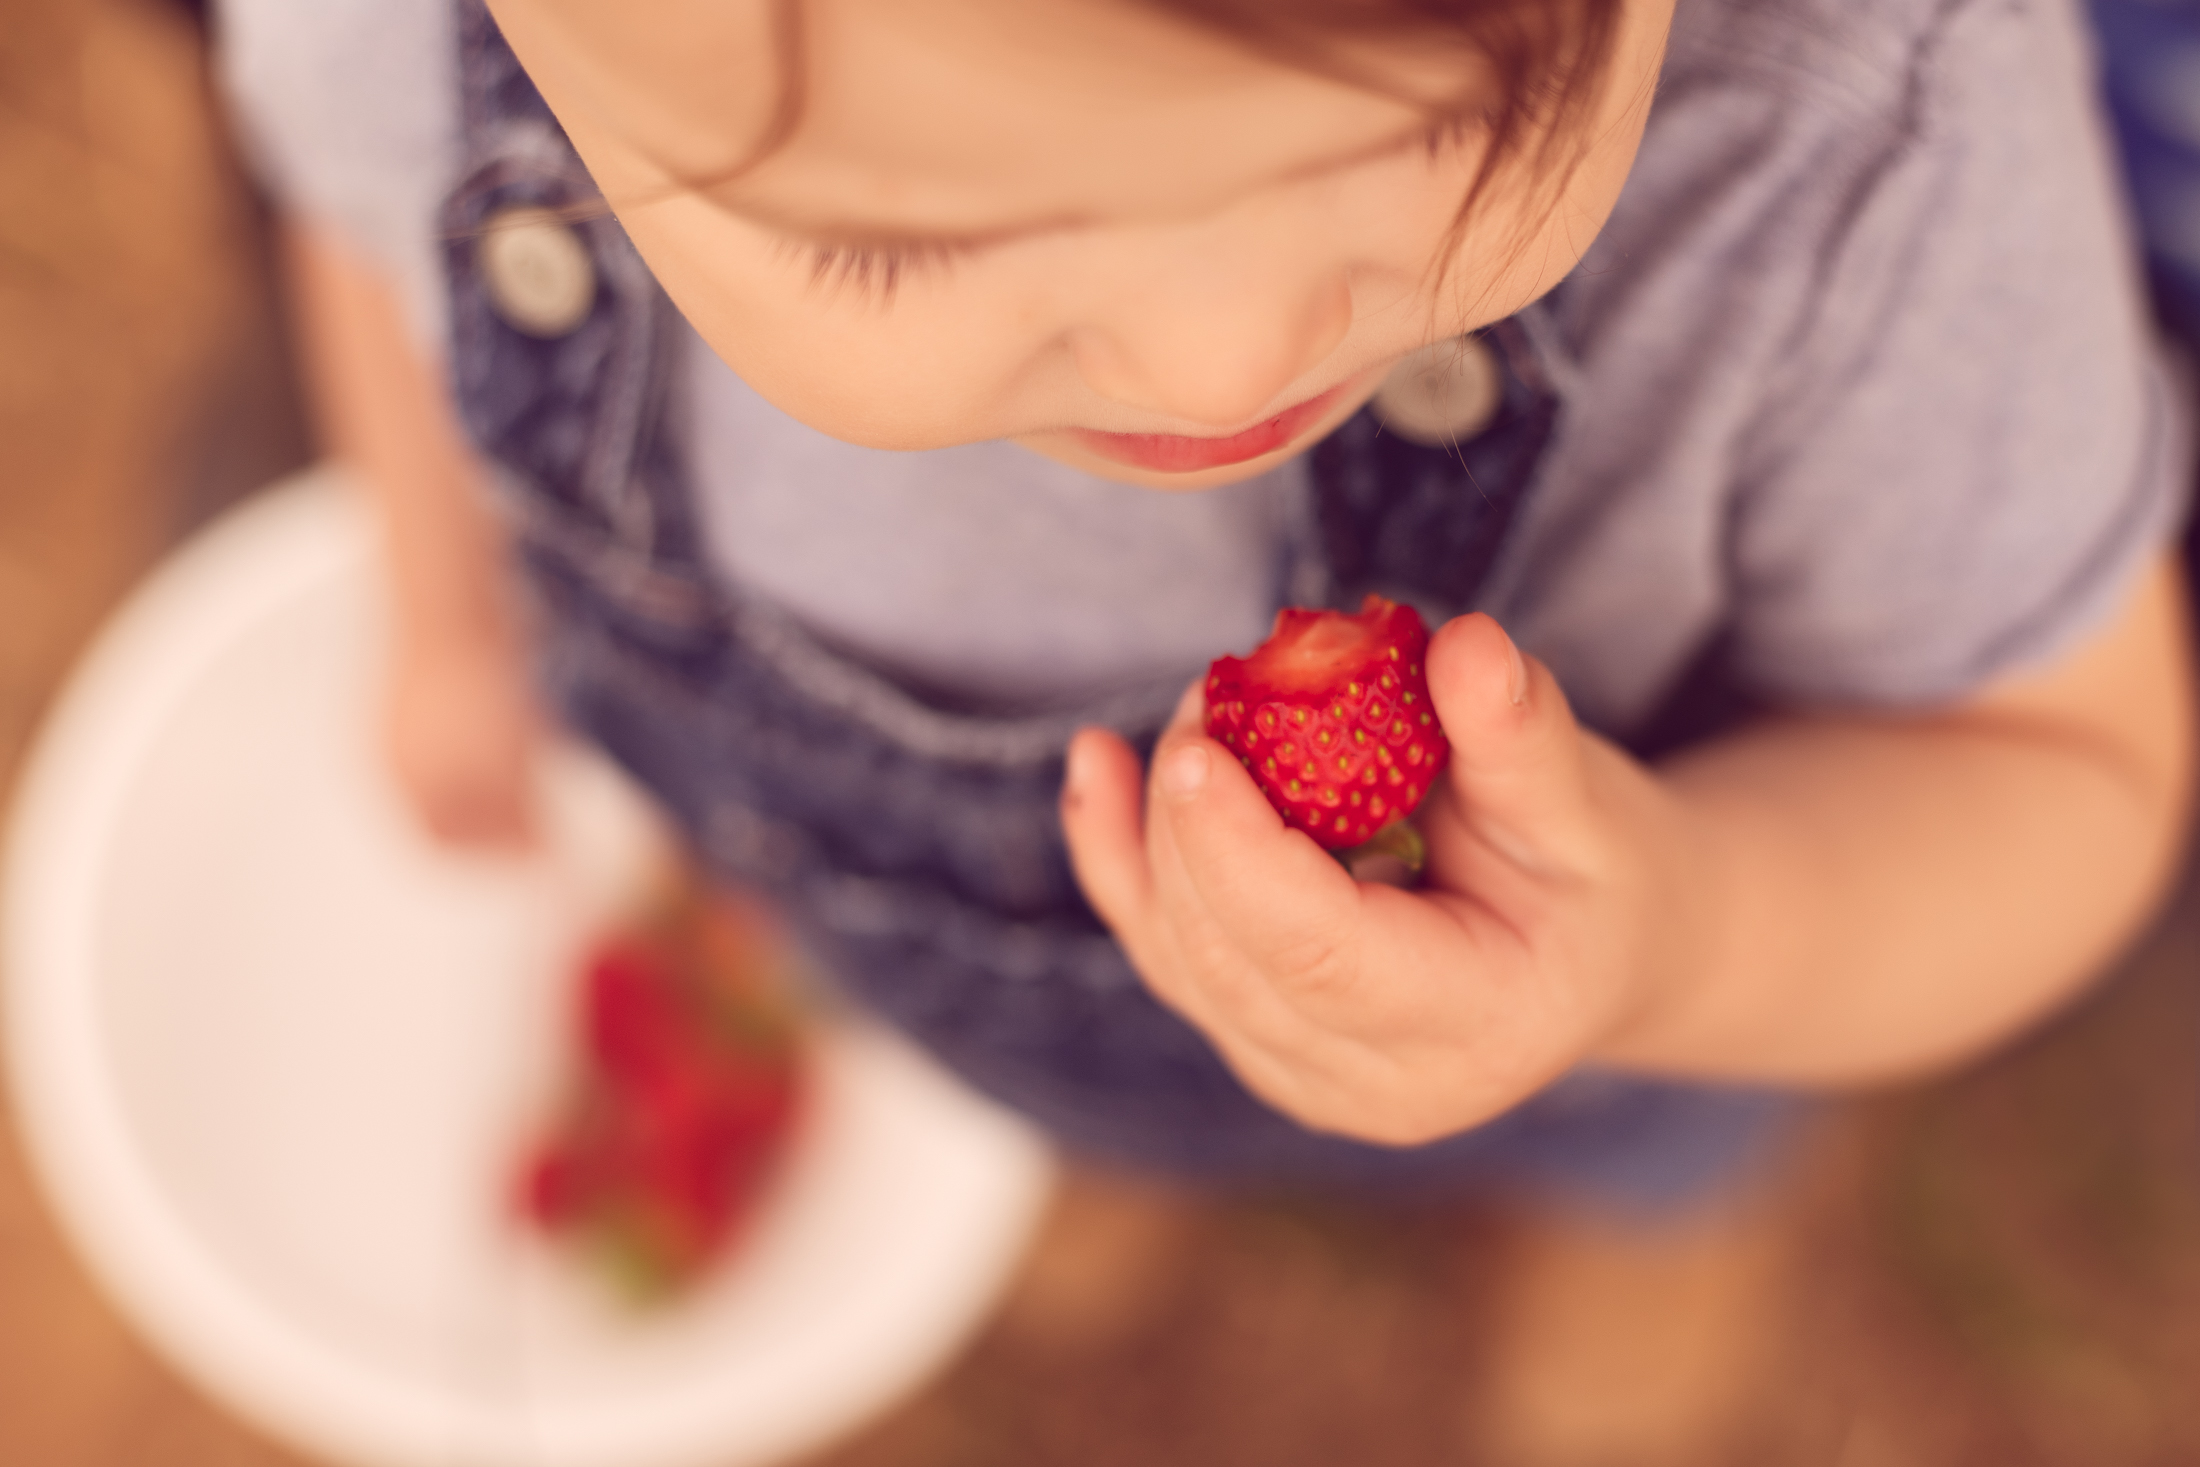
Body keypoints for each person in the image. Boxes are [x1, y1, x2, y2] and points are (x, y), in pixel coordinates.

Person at [216, 0, 2194, 1452]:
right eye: (907, 247)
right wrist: (442, 604)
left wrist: (1660, 941)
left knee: (1643, 1163)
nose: (1221, 363)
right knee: (1083, 1104)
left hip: (1641, 1016)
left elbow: (2060, 762)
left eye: (1424, 147)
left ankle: (1629, 1273)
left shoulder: (1855, 118)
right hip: (967, 987)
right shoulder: (391, 42)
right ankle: (1106, 1152)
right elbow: (370, 228)